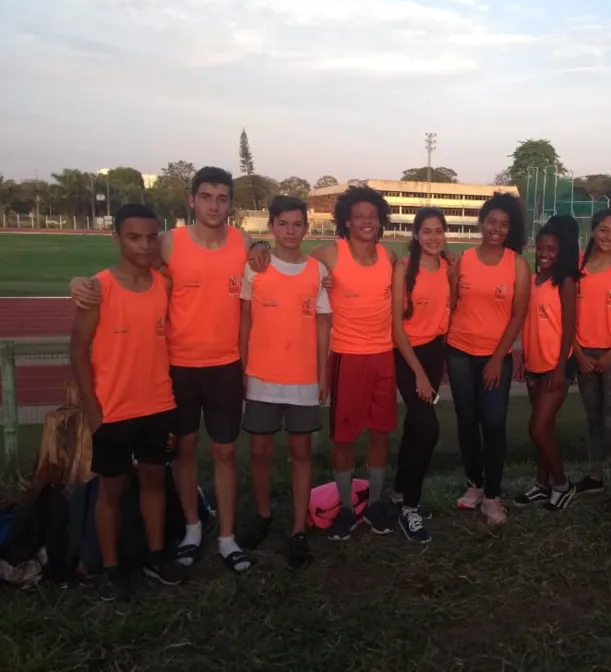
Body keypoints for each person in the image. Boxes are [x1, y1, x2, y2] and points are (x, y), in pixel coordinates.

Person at [70, 167, 271, 574]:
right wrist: (79, 282)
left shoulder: (242, 241)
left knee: (225, 451)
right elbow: (128, 264)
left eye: (222, 198)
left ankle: (228, 538)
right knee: (182, 451)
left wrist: (263, 243)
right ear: (192, 201)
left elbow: (264, 251)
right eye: (206, 196)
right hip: (176, 367)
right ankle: (193, 529)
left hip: (225, 365)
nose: (214, 205)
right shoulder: (168, 242)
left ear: (230, 204)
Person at [69, 204, 187, 600]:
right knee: (112, 490)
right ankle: (112, 566)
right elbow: (78, 351)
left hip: (157, 403)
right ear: (116, 238)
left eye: (152, 236)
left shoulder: (163, 284)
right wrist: (93, 411)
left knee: (154, 480)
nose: (144, 244)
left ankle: (155, 556)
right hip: (114, 410)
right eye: (134, 237)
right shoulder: (99, 288)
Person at [237, 195, 331, 568]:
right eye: (283, 224)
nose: (290, 231)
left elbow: (324, 324)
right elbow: (244, 320)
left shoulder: (316, 271)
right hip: (261, 376)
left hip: (303, 378)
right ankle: (262, 515)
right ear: (271, 226)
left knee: (301, 453)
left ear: (306, 228)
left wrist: (323, 373)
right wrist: (245, 365)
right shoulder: (255, 268)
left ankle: (297, 529)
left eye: (298, 224)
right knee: (260, 452)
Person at [310, 185, 398, 540]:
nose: (366, 222)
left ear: (380, 221)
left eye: (372, 216)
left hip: (384, 355)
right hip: (347, 356)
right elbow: (289, 265)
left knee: (380, 433)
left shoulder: (390, 256)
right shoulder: (329, 255)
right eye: (359, 216)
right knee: (344, 438)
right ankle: (347, 508)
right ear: (346, 221)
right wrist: (260, 249)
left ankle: (374, 503)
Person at [447, 192, 530, 525]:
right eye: (491, 222)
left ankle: (493, 496)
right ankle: (475, 486)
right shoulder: (463, 259)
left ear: (511, 229)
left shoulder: (517, 264)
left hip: (496, 356)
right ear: (481, 224)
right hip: (459, 351)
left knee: (493, 424)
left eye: (504, 224)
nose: (496, 229)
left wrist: (498, 358)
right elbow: (450, 304)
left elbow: (518, 315)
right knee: (467, 422)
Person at [390, 208, 451, 543]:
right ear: (415, 235)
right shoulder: (403, 269)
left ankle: (401, 493)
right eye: (426, 231)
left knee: (416, 426)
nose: (433, 237)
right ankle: (409, 509)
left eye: (438, 231)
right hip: (407, 354)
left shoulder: (446, 266)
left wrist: (433, 366)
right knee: (429, 430)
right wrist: (418, 374)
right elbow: (397, 328)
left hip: (434, 350)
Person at [514, 215, 580, 512]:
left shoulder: (564, 280)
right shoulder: (532, 279)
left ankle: (563, 485)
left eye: (551, 249)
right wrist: (524, 359)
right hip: (534, 363)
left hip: (556, 366)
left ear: (561, 250)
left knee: (537, 429)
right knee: (545, 429)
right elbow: (527, 324)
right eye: (540, 248)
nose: (544, 254)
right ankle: (541, 485)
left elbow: (568, 328)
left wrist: (559, 368)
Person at [573, 209, 611, 512]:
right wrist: (579, 353)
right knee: (593, 419)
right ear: (593, 230)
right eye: (603, 230)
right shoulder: (577, 268)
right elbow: (567, 315)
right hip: (584, 354)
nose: (609, 237)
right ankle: (594, 474)